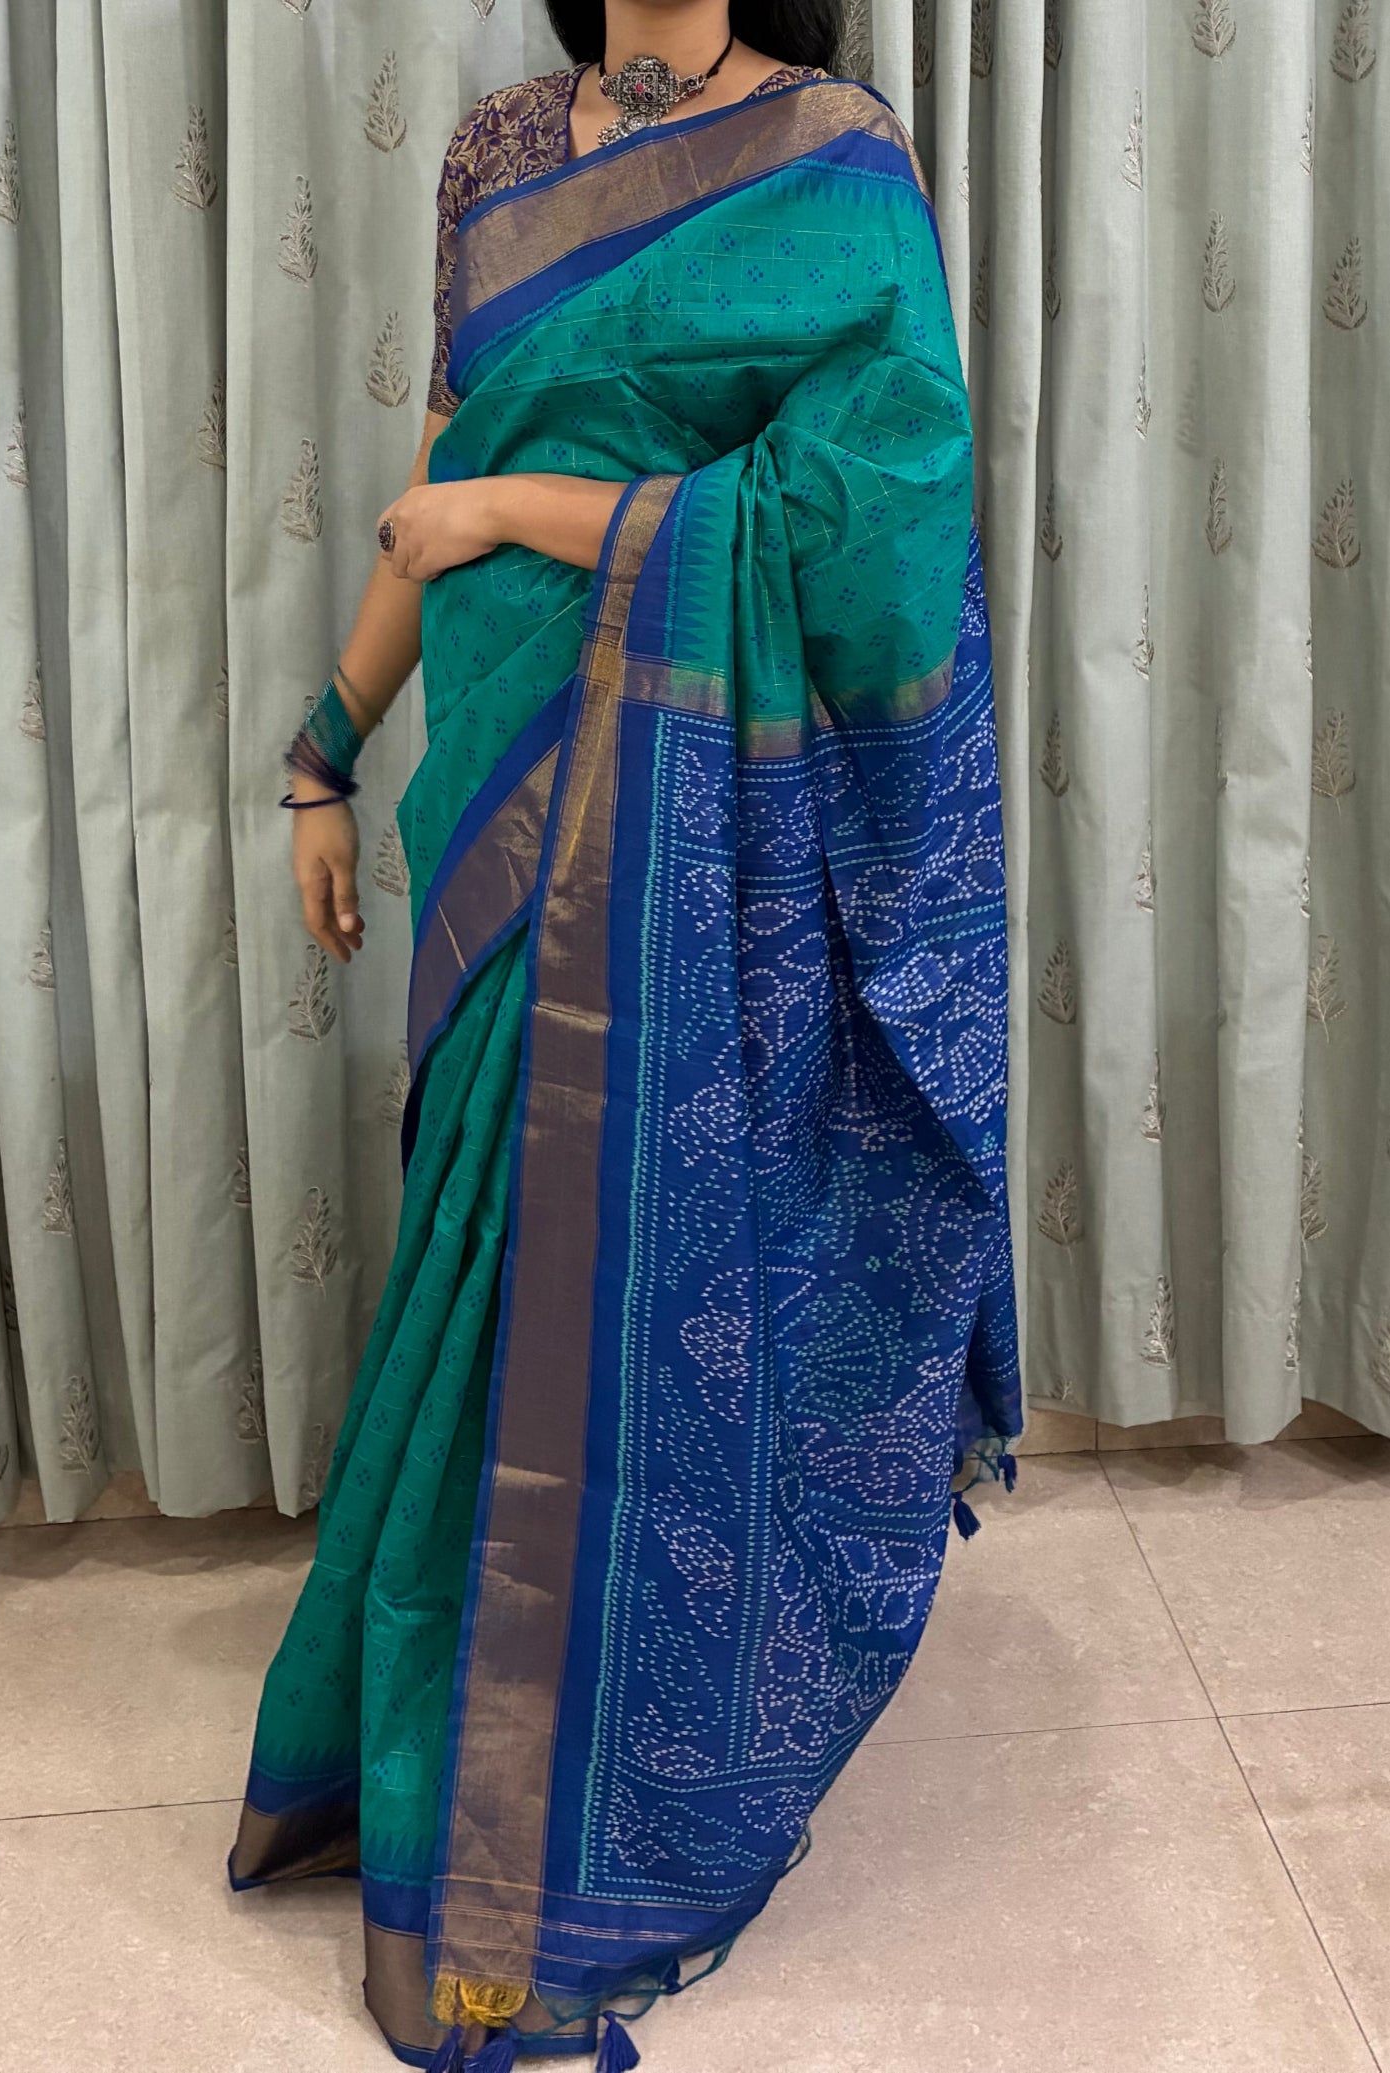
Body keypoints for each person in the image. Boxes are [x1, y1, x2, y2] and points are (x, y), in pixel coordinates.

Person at [229, 3, 1022, 2067]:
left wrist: (529, 515)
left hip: (706, 820)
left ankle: (614, 1783)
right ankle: (449, 1727)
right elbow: (438, 484)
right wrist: (323, 747)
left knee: (646, 1269)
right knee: (494, 1256)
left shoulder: (836, 151)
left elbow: (870, 511)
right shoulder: (500, 149)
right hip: (503, 764)